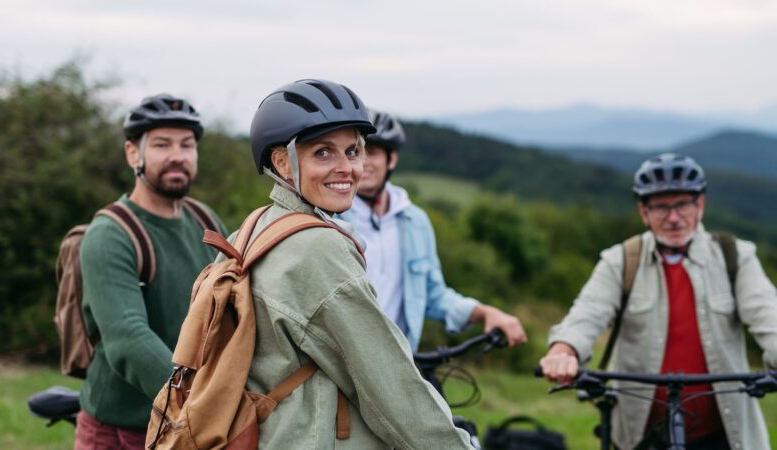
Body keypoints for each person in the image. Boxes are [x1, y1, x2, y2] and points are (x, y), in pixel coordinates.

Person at [231, 79, 474, 448]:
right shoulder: (319, 248)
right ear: (282, 162)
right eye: (323, 153)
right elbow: (389, 382)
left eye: (352, 151)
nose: (346, 168)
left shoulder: (250, 230)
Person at [539, 153, 777, 450]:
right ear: (644, 212)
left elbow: (768, 314)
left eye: (682, 205)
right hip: (642, 435)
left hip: (725, 435)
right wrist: (564, 350)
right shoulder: (621, 261)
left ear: (699, 205)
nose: (673, 217)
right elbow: (587, 314)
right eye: (661, 207)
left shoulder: (735, 256)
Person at [75, 94, 228, 449]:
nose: (177, 155)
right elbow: (128, 338)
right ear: (133, 153)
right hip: (123, 429)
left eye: (187, 145)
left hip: (191, 423)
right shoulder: (111, 234)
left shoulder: (203, 219)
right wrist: (203, 400)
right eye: (162, 144)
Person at [339, 109, 527, 351]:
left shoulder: (415, 221)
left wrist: (484, 312)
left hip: (401, 362)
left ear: (392, 159)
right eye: (355, 153)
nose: (363, 162)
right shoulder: (330, 218)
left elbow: (432, 295)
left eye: (372, 152)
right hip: (346, 362)